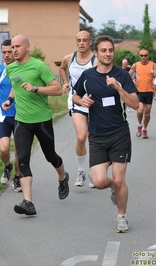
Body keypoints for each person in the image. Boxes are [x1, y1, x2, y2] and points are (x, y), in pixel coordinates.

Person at [72, 35, 139, 233]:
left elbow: (135, 104)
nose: (108, 54)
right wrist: (81, 102)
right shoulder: (88, 76)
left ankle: (122, 217)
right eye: (103, 50)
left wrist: (118, 88)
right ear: (96, 53)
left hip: (119, 133)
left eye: (110, 50)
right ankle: (112, 187)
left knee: (120, 180)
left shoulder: (123, 75)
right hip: (97, 136)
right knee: (100, 181)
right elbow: (75, 94)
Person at [2, 34, 69, 216]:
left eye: (17, 47)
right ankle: (28, 202)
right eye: (12, 47)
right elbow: (17, 86)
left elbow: (57, 90)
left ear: (27, 47)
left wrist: (37, 88)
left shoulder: (39, 66)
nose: (14, 50)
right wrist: (9, 100)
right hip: (21, 120)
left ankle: (63, 178)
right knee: (22, 159)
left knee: (50, 156)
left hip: (41, 120)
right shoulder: (11, 68)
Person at [59, 30, 96, 188]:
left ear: (90, 42)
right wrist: (66, 82)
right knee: (81, 137)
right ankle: (81, 171)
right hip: (76, 101)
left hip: (94, 104)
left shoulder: (96, 60)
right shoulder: (69, 58)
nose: (81, 43)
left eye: (84, 40)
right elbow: (62, 69)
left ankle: (94, 172)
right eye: (79, 40)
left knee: (94, 139)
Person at [0, 39, 21, 192]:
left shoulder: (21, 69)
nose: (7, 55)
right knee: (4, 149)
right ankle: (7, 167)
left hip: (20, 115)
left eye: (10, 51)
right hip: (2, 115)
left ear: (15, 51)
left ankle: (18, 177)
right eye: (4, 52)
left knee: (19, 150)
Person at [129, 49, 156, 139]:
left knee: (147, 113)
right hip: (139, 91)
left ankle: (145, 128)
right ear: (139, 56)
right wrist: (132, 82)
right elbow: (128, 75)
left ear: (148, 56)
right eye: (141, 55)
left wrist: (154, 73)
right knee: (140, 110)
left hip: (149, 91)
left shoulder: (153, 64)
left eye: (145, 55)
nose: (143, 57)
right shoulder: (136, 65)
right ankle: (139, 125)